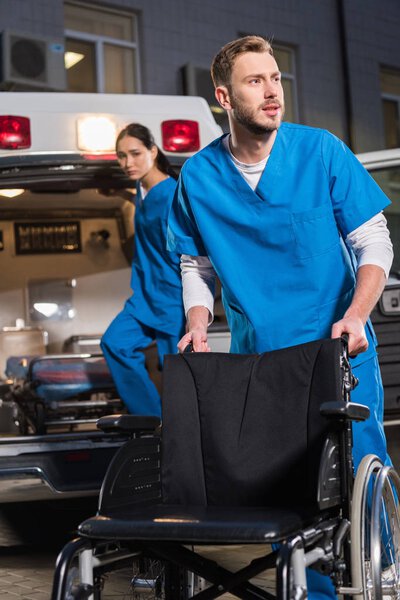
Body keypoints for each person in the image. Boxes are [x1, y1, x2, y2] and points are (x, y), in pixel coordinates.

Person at [167, 35, 394, 598]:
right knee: (282, 485)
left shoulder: (320, 152)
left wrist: (356, 315)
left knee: (360, 472)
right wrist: (198, 321)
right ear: (224, 95)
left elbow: (375, 244)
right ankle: (309, 592)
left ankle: (382, 577)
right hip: (261, 363)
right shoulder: (197, 176)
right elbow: (195, 263)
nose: (272, 92)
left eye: (276, 79)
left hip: (339, 349)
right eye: (255, 81)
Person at [101, 123, 185, 417]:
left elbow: (190, 250)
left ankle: (180, 434)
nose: (127, 163)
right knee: (114, 343)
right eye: (121, 156)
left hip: (172, 297)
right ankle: (151, 420)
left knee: (175, 373)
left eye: (135, 154)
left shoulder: (173, 194)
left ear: (153, 151)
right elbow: (146, 208)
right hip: (144, 296)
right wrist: (120, 195)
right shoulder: (141, 188)